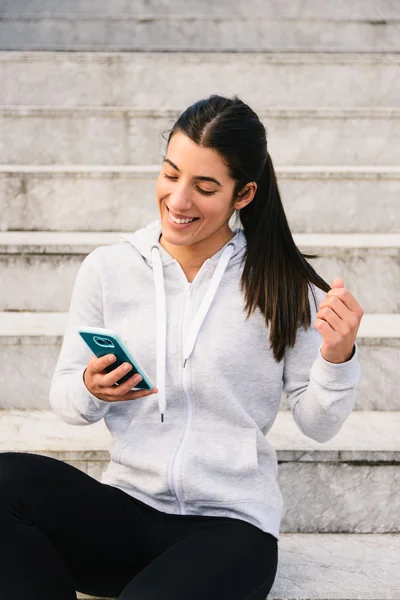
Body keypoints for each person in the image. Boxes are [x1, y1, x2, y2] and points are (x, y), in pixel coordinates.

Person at [0, 95, 363, 600]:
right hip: (127, 513)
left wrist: (337, 356)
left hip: (231, 529)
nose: (179, 200)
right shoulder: (110, 269)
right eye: (171, 175)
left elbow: (318, 423)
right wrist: (91, 388)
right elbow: (65, 398)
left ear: (244, 194)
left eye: (205, 186)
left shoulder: (286, 286)